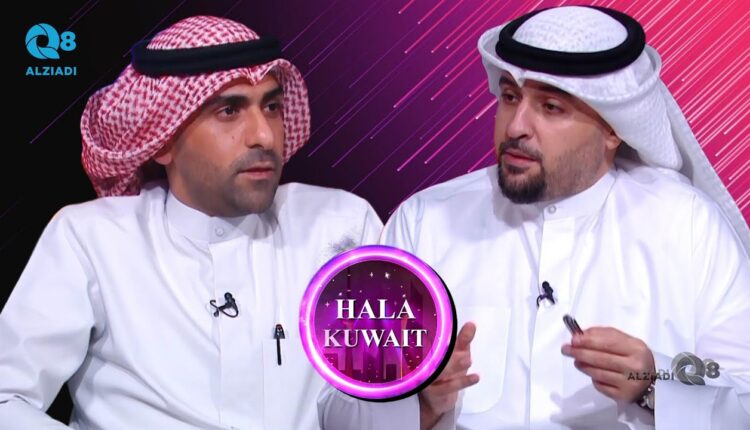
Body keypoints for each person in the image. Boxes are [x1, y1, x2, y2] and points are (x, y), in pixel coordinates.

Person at [318, 5, 750, 429]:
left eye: (551, 107)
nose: (515, 127)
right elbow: (337, 414)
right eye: (510, 97)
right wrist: (420, 401)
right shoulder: (426, 222)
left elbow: (745, 402)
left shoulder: (687, 225)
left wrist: (652, 383)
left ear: (613, 129)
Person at [0, 15, 382, 429]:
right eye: (229, 110)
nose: (265, 136)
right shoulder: (92, 240)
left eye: (271, 107)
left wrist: (418, 406)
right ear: (161, 140)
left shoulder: (340, 226)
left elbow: (378, 402)